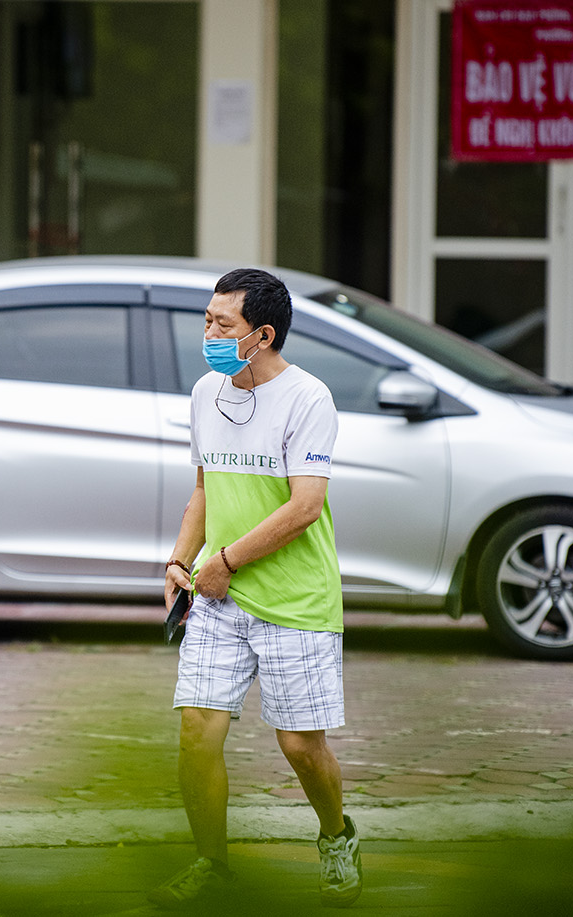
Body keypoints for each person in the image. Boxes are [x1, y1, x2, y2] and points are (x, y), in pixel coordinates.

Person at [149, 268, 361, 909]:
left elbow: (304, 507)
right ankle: (211, 861)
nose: (208, 331)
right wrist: (179, 562)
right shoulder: (205, 392)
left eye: (223, 323)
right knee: (197, 733)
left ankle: (336, 836)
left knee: (300, 744)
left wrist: (228, 561)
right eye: (207, 318)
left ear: (262, 335)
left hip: (295, 602)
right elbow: (205, 488)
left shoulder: (308, 399)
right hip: (217, 598)